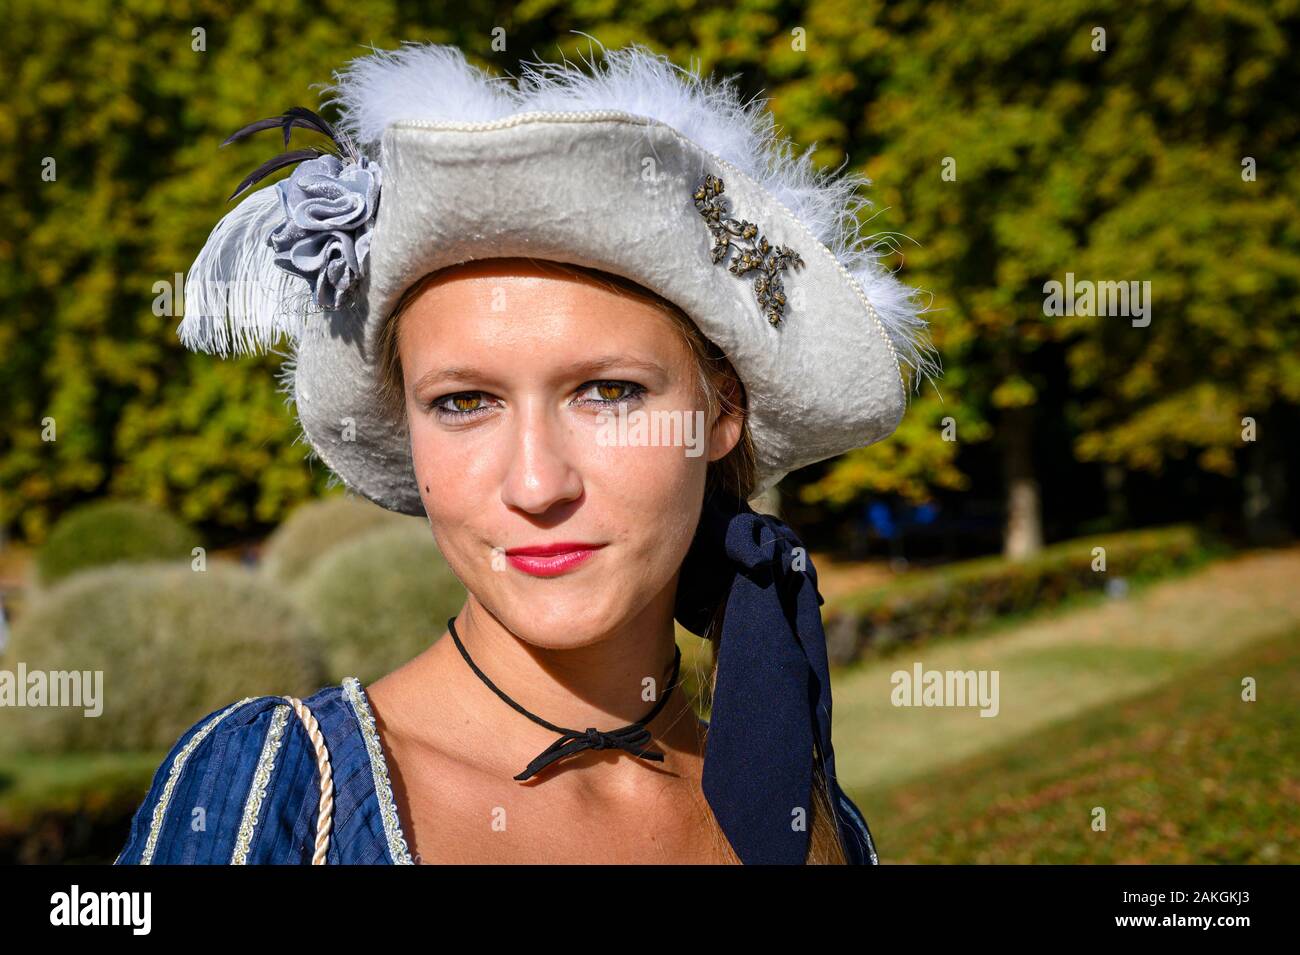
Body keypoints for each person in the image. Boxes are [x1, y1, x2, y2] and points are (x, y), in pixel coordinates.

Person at [114, 38, 938, 865]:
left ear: (721, 410)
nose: (538, 484)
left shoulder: (809, 821)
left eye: (608, 392)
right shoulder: (284, 795)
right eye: (464, 402)